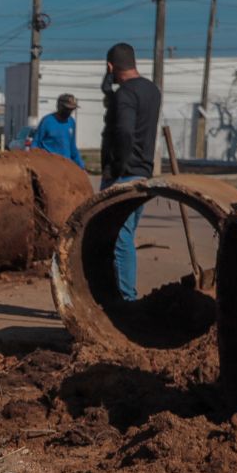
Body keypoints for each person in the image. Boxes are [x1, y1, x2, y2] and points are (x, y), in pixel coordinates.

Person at [99, 43, 162, 302]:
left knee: (118, 236)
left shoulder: (125, 93)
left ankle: (126, 298)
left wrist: (118, 168)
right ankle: (118, 294)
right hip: (143, 171)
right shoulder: (151, 90)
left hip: (125, 173)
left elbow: (125, 131)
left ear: (110, 67)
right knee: (123, 234)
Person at [30, 93, 86, 170]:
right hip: (49, 166)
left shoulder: (71, 122)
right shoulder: (47, 121)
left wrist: (80, 164)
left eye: (71, 109)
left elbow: (72, 147)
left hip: (66, 165)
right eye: (66, 109)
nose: (69, 112)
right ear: (59, 106)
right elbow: (36, 143)